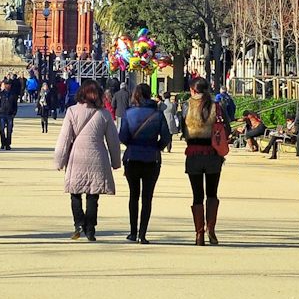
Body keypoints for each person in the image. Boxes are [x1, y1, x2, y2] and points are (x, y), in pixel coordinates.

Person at [54, 79, 121, 241]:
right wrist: (115, 161)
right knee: (93, 194)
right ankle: (90, 228)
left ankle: (78, 223)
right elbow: (113, 140)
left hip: (77, 156)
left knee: (75, 193)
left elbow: (64, 139)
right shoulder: (104, 114)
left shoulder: (72, 111)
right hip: (97, 156)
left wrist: (59, 160)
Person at [117, 82, 172, 243]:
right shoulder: (158, 114)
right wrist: (156, 147)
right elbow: (166, 137)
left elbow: (122, 136)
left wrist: (132, 145)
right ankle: (143, 233)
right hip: (151, 158)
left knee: (133, 196)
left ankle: (133, 232)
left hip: (133, 157)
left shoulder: (129, 113)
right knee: (147, 197)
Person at [181, 78, 227, 245]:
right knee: (212, 193)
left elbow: (182, 128)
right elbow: (225, 128)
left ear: (192, 90)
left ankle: (199, 233)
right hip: (213, 154)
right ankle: (211, 229)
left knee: (197, 195)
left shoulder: (186, 105)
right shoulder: (216, 106)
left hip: (193, 153)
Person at [0, 79, 19, 151]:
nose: (7, 86)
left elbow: (15, 105)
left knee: (9, 130)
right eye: (6, 84)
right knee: (1, 129)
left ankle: (8, 144)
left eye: (8, 84)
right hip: (2, 113)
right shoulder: (1, 94)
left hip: (10, 114)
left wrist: (14, 113)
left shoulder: (13, 94)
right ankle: (3, 142)